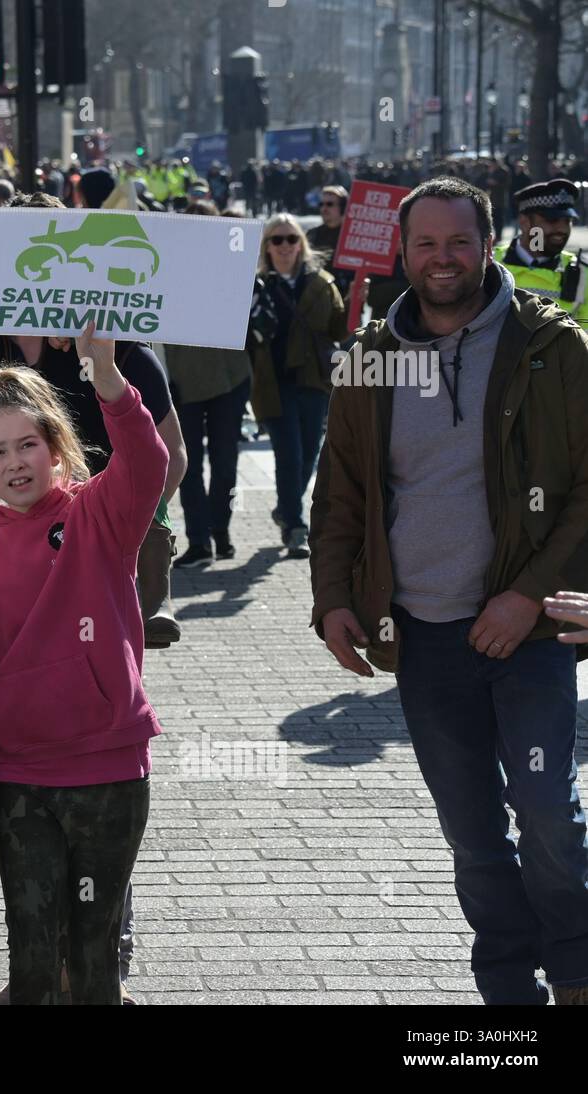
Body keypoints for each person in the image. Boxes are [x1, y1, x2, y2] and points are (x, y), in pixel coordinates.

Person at [310, 176, 588, 1007]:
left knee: (545, 812)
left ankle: (575, 968)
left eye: (458, 242)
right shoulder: (369, 356)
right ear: (402, 252)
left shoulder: (552, 347)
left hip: (528, 631)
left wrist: (529, 595)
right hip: (423, 637)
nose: (442, 259)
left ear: (488, 243)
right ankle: (508, 988)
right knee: (472, 835)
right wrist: (332, 600)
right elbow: (341, 492)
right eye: (425, 244)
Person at [0, 325, 168, 1005]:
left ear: (55, 449)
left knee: (95, 958)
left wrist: (107, 376)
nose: (15, 462)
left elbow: (148, 461)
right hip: (21, 779)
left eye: (28, 444)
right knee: (32, 960)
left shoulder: (98, 514)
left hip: (110, 767)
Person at [249, 212, 347, 559]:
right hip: (273, 383)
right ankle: (294, 525)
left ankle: (285, 507)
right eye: (277, 239)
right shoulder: (255, 286)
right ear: (267, 247)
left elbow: (339, 330)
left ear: (301, 244)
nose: (285, 246)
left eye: (292, 239)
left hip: (313, 380)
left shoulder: (322, 282)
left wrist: (357, 302)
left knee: (309, 452)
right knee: (288, 455)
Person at [167, 203, 253, 568]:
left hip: (228, 378)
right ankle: (200, 540)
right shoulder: (168, 266)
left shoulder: (230, 266)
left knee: (225, 461)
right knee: (189, 464)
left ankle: (220, 533)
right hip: (184, 382)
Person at [493, 178, 588, 330]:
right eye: (552, 220)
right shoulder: (490, 265)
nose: (562, 229)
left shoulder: (584, 273)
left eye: (567, 221)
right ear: (524, 222)